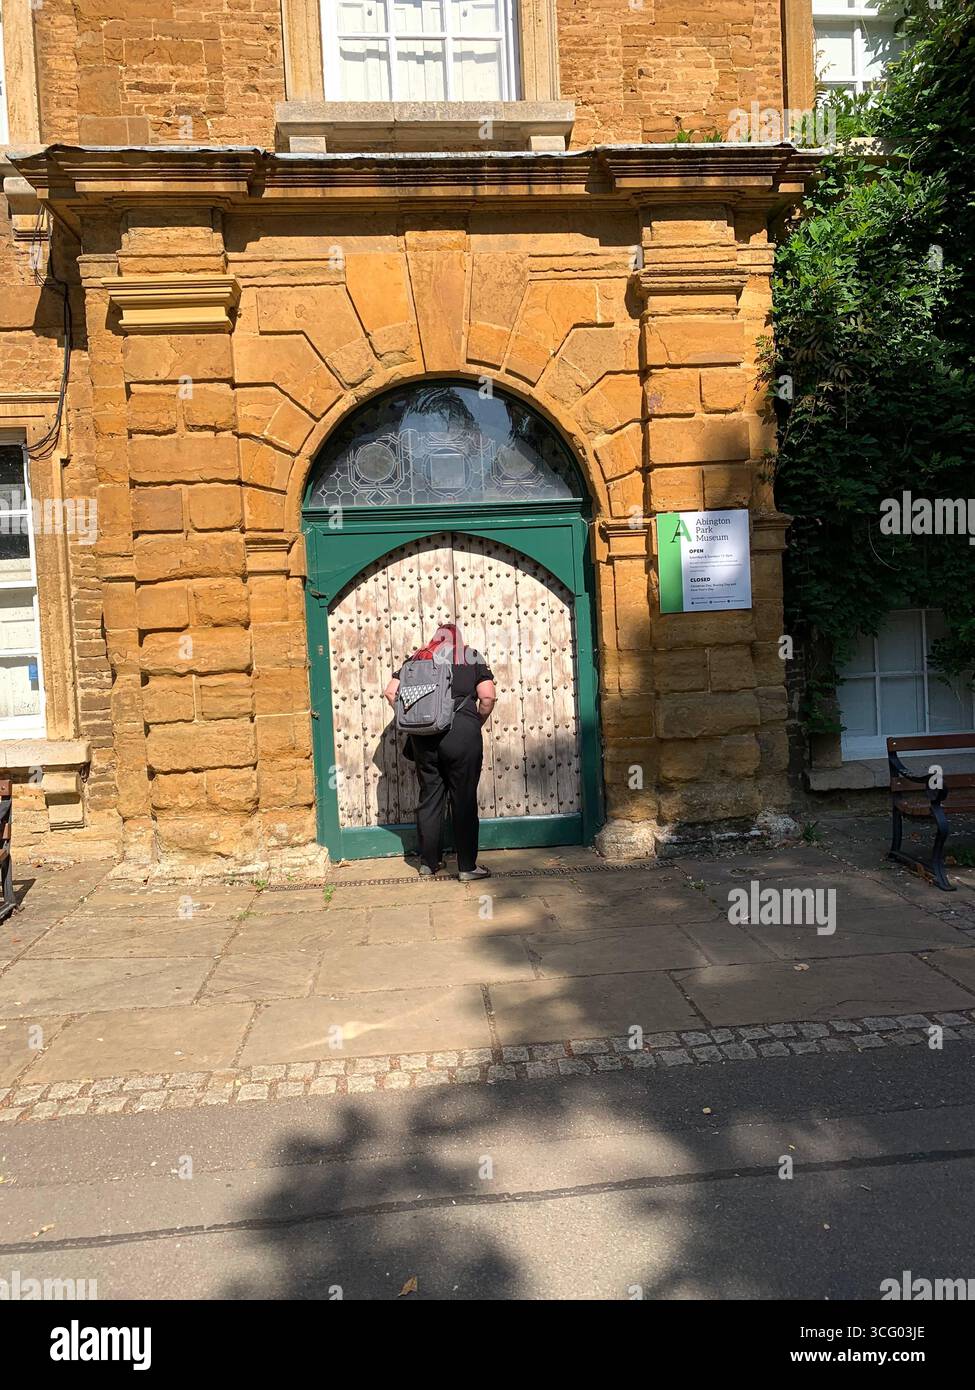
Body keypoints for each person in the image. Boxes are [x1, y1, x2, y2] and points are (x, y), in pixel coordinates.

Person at [385, 623, 496, 881]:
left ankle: (429, 864)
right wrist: (475, 721)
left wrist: (412, 718)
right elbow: (487, 697)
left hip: (424, 736)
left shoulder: (417, 658)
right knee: (464, 798)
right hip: (462, 734)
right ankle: (467, 867)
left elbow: (390, 692)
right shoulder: (471, 657)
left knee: (430, 797)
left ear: (435, 639)